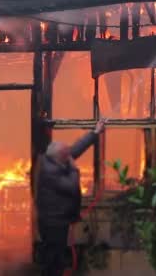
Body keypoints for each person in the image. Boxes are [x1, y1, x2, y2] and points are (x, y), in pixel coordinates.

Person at [35, 118, 107, 276]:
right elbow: (72, 187)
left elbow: (76, 149)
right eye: (67, 154)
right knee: (54, 259)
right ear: (60, 157)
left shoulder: (56, 159)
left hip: (58, 220)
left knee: (56, 257)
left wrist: (94, 133)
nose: (70, 155)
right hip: (53, 223)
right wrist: (75, 170)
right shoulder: (50, 172)